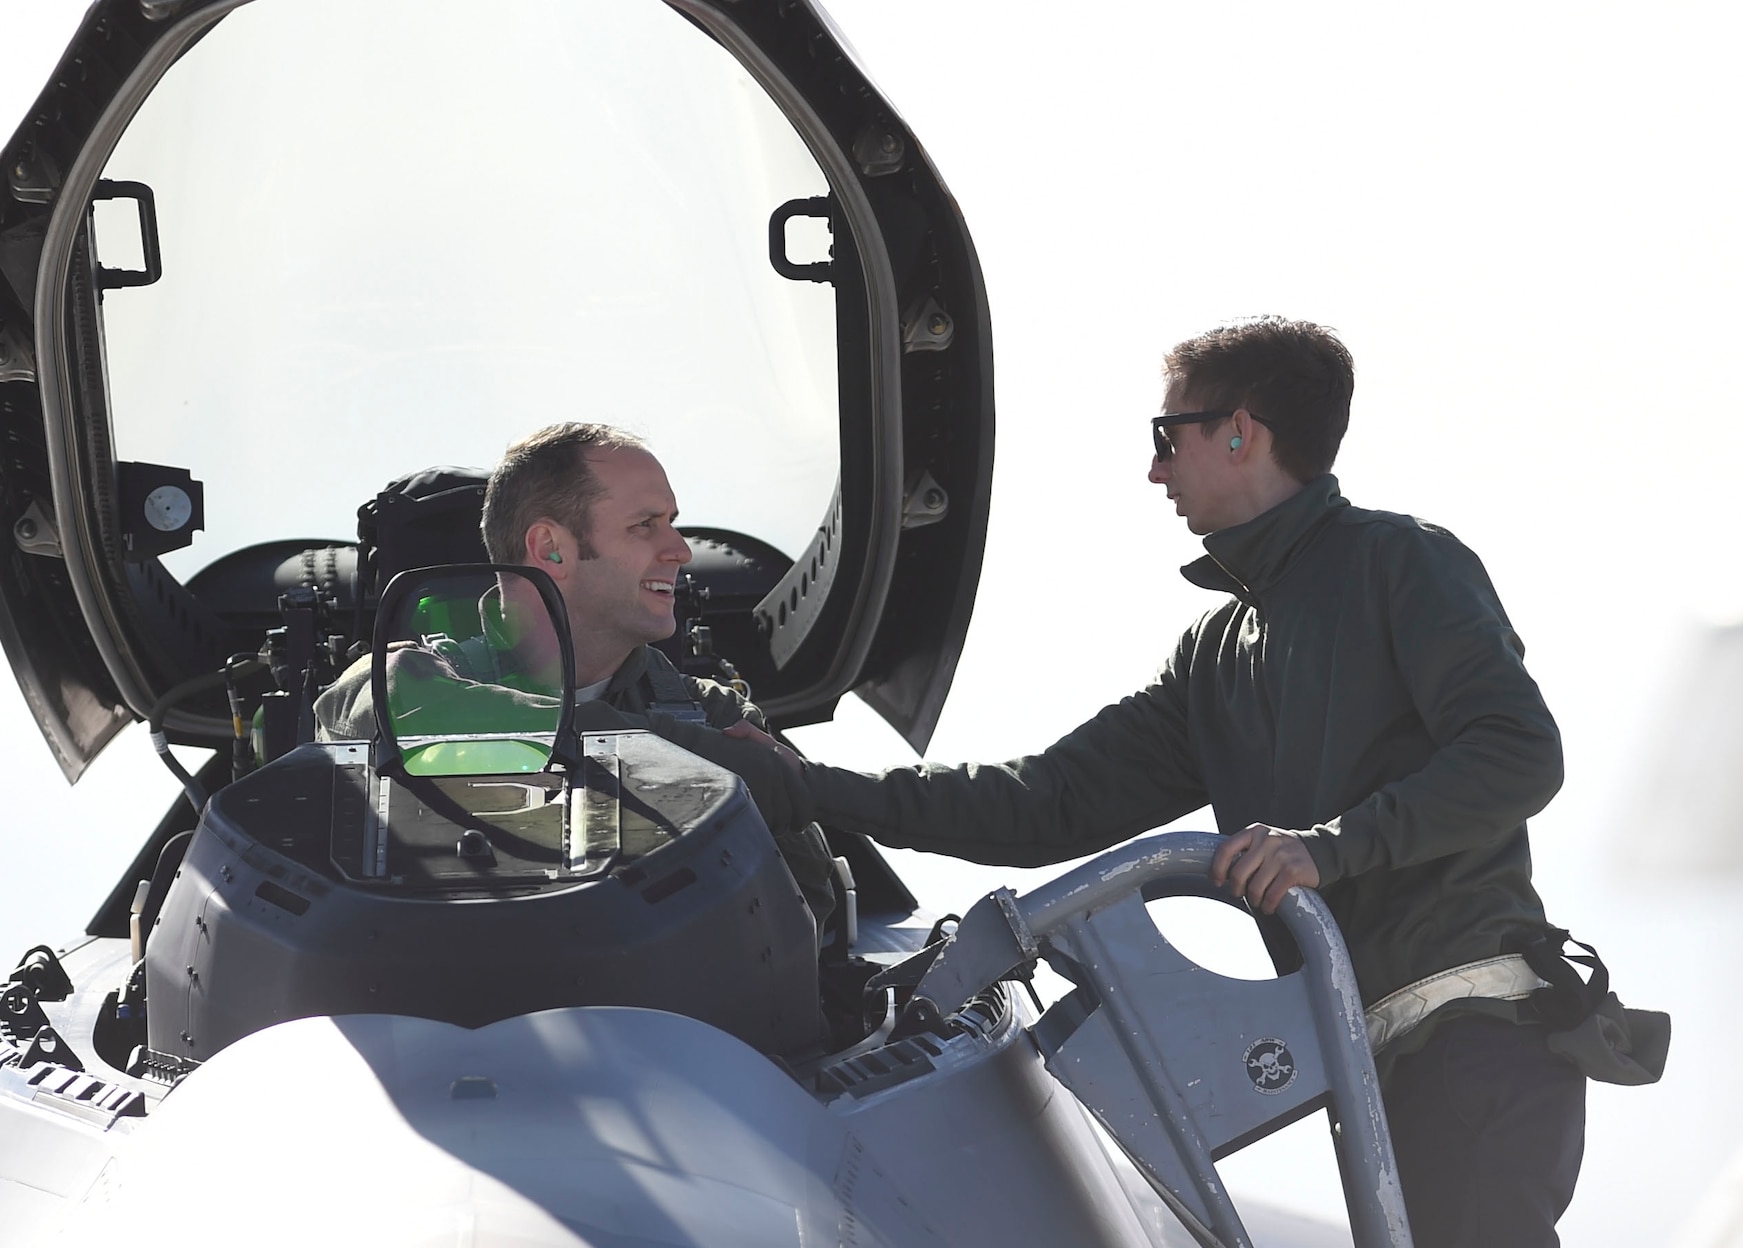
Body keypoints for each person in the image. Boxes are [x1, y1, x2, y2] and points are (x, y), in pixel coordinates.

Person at [738, 317, 1648, 1246]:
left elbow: (1519, 749)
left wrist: (1326, 851)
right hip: (1376, 1064)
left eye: (1168, 437)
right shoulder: (1214, 655)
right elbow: (1044, 801)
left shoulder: (1401, 562)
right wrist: (810, 788)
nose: (1155, 470)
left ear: (1242, 432)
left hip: (1474, 1044)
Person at [317, 423, 833, 922]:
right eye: (645, 525)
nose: (680, 550)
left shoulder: (716, 716)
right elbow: (366, 711)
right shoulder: (393, 691)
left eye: (672, 522)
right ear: (551, 549)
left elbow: (804, 914)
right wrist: (665, 751)